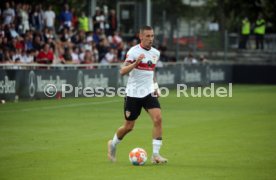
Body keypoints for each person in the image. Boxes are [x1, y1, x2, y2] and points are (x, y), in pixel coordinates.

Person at [107, 25, 168, 164]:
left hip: (148, 92)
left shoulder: (155, 53)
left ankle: (156, 155)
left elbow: (151, 72)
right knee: (129, 127)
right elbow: (122, 71)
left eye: (152, 36)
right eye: (147, 36)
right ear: (141, 36)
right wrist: (136, 63)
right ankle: (113, 144)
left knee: (158, 119)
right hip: (133, 93)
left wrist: (155, 87)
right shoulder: (133, 51)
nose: (150, 39)